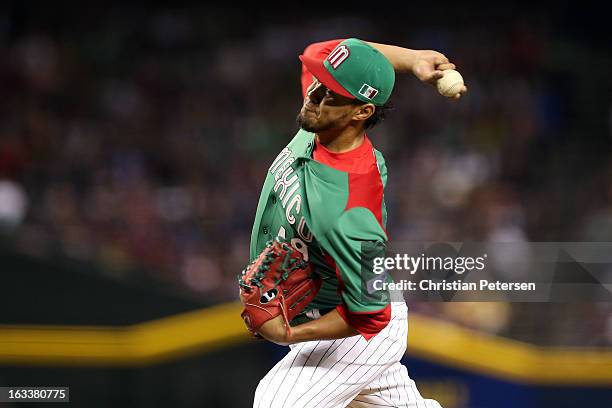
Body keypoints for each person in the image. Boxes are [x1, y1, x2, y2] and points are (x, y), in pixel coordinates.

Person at [248, 38, 466, 408]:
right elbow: (329, 52)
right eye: (319, 82)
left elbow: (371, 311)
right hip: (338, 313)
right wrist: (413, 60)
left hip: (357, 330)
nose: (313, 94)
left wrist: (290, 333)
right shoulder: (325, 117)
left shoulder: (351, 204)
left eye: (329, 93)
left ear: (361, 112)